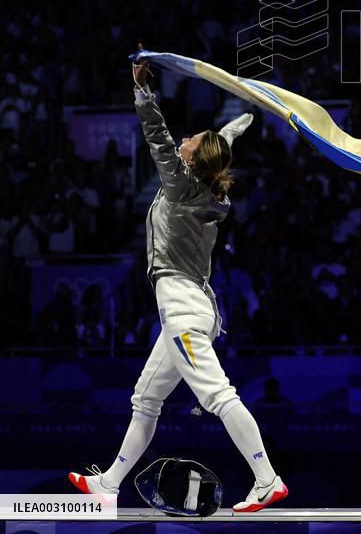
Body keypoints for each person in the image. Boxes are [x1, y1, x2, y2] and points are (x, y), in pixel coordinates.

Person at [68, 45, 287, 513]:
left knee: (217, 395)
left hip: (184, 310)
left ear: (190, 159)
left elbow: (157, 137)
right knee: (146, 398)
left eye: (191, 140)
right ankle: (109, 483)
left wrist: (142, 87)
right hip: (187, 310)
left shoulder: (182, 184)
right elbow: (221, 141)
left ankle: (267, 479)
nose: (183, 138)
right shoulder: (206, 185)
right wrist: (244, 110)